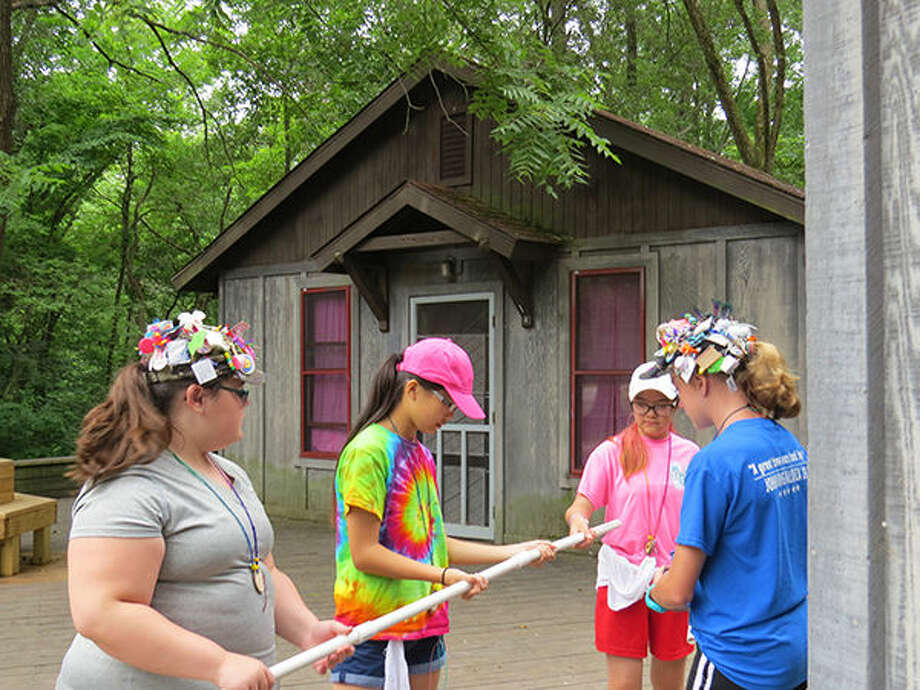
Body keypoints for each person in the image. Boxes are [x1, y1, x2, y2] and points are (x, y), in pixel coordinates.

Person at [56, 312, 352, 690]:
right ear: (197, 397)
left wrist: (307, 630)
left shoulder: (229, 473)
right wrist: (218, 664)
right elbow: (103, 612)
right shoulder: (128, 486)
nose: (247, 404)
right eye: (240, 392)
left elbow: (261, 570)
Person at [330, 337, 556, 690]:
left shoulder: (422, 456)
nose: (451, 414)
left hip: (426, 625)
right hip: (373, 628)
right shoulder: (368, 452)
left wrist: (516, 551)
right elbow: (364, 553)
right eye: (448, 402)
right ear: (414, 390)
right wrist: (444, 575)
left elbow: (432, 544)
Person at [643, 307, 807, 690]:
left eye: (677, 388)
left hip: (737, 658)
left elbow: (678, 590)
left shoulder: (713, 463)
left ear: (700, 382)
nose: (679, 403)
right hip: (794, 652)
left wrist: (655, 589)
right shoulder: (788, 443)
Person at [564, 361, 699, 690]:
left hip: (672, 574)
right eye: (642, 404)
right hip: (622, 574)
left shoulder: (692, 455)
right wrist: (579, 522)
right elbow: (581, 504)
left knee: (670, 678)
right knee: (624, 684)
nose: (651, 413)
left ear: (676, 405)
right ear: (631, 405)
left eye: (661, 404)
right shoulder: (611, 452)